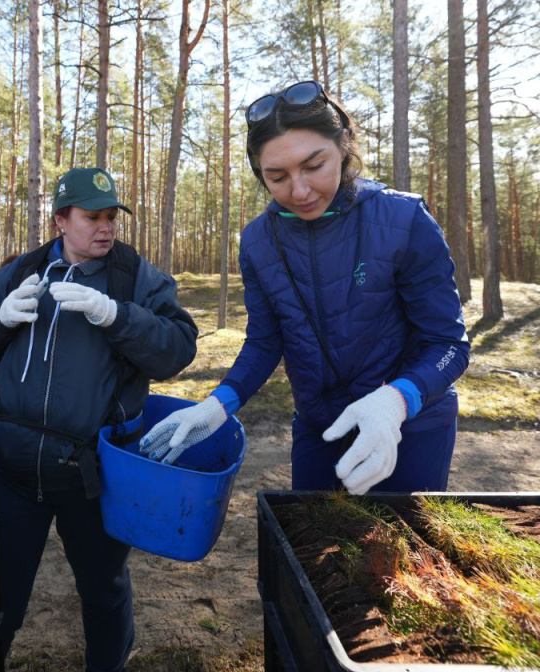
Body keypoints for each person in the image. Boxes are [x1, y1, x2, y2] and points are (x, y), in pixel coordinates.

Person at [141, 80, 469, 496]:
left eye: (314, 166)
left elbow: (449, 345)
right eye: (276, 176)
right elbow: (265, 341)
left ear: (344, 145)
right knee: (314, 550)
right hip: (320, 426)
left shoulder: (402, 220)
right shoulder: (260, 241)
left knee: (403, 552)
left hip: (411, 424)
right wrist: (217, 403)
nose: (299, 191)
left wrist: (396, 402)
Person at [0, 168, 198, 672]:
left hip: (93, 474)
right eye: (92, 217)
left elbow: (177, 350)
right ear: (61, 219)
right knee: (0, 586)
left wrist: (117, 316)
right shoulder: (20, 270)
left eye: (112, 216)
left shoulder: (135, 277)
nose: (106, 228)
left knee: (104, 586)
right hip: (11, 467)